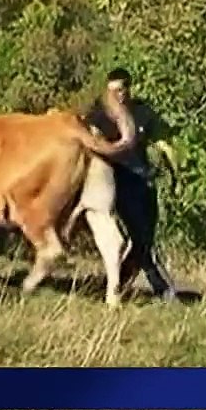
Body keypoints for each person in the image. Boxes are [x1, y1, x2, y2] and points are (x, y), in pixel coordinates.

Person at [83, 67, 180, 302]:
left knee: (145, 239)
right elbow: (89, 143)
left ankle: (118, 285)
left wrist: (176, 176)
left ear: (129, 88)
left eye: (121, 90)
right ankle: (162, 290)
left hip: (144, 181)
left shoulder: (142, 112)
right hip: (117, 183)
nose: (117, 96)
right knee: (138, 237)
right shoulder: (99, 115)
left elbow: (164, 144)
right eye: (112, 91)